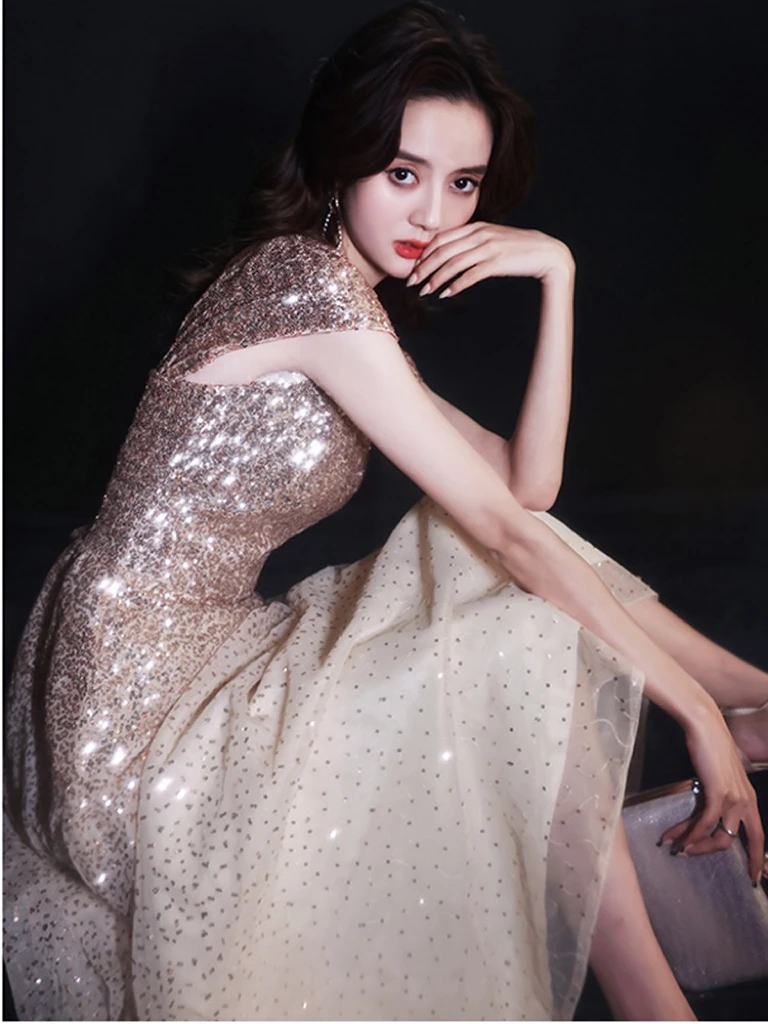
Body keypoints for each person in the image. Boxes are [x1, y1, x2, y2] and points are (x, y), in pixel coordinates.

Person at [4, 1, 767, 1020]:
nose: (434, 215)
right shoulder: (303, 287)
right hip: (132, 698)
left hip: (213, 641)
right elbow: (509, 526)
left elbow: (525, 490)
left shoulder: (347, 306)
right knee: (508, 632)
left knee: (491, 585)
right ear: (342, 159)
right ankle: (725, 746)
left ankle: (747, 707)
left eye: (463, 184)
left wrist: (558, 275)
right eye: (403, 173)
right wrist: (689, 713)